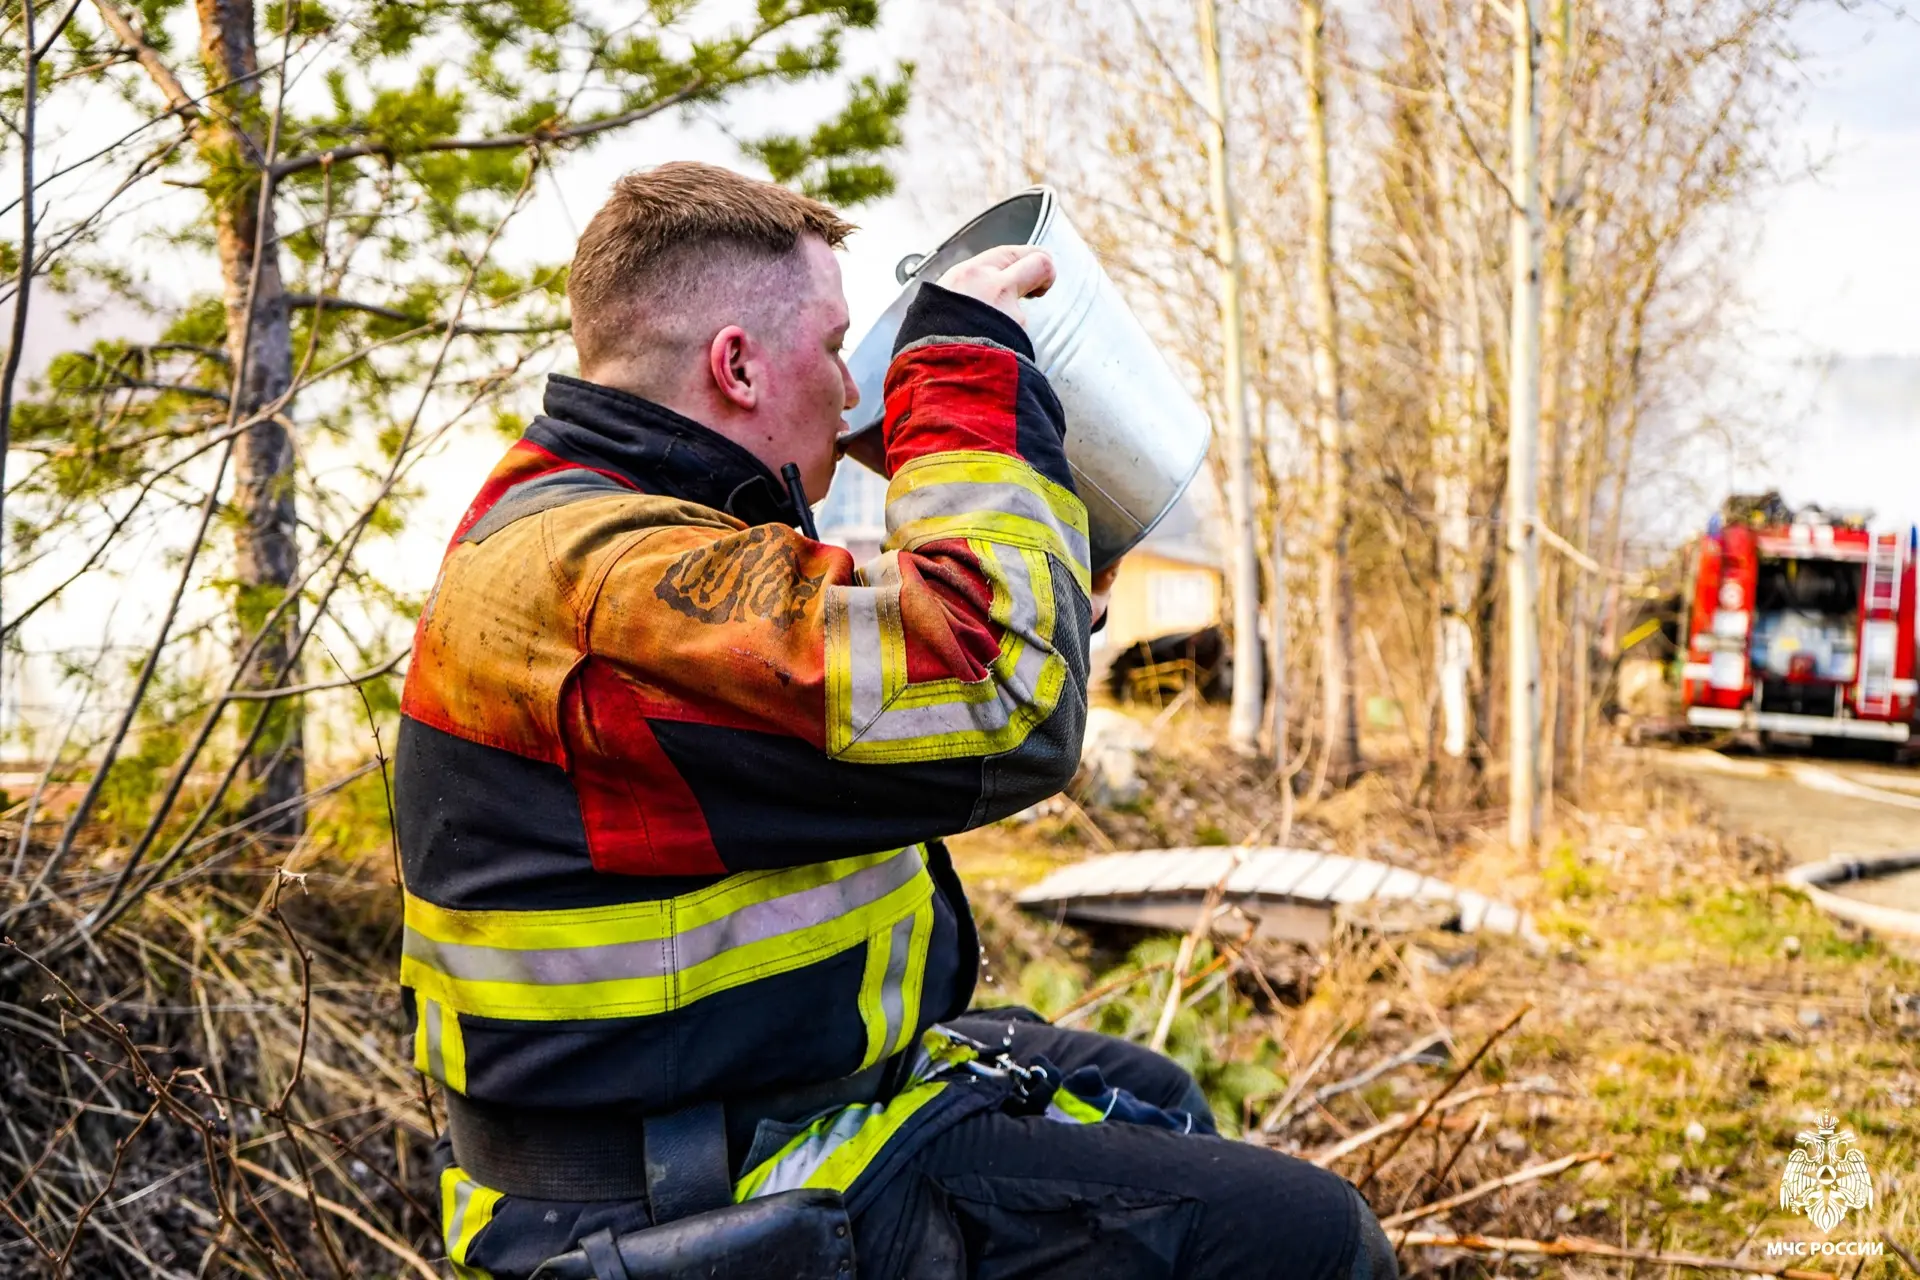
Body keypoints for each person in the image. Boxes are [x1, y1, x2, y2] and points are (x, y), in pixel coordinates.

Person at [395, 160, 1395, 1280]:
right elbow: (996, 701)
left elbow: (875, 656)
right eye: (831, 349)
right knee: (1312, 1240)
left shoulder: (611, 520)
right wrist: (961, 370)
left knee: (1152, 1094)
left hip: (731, 1095)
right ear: (736, 364)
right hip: (674, 1181)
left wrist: (1043, 591)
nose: (850, 389)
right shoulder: (603, 578)